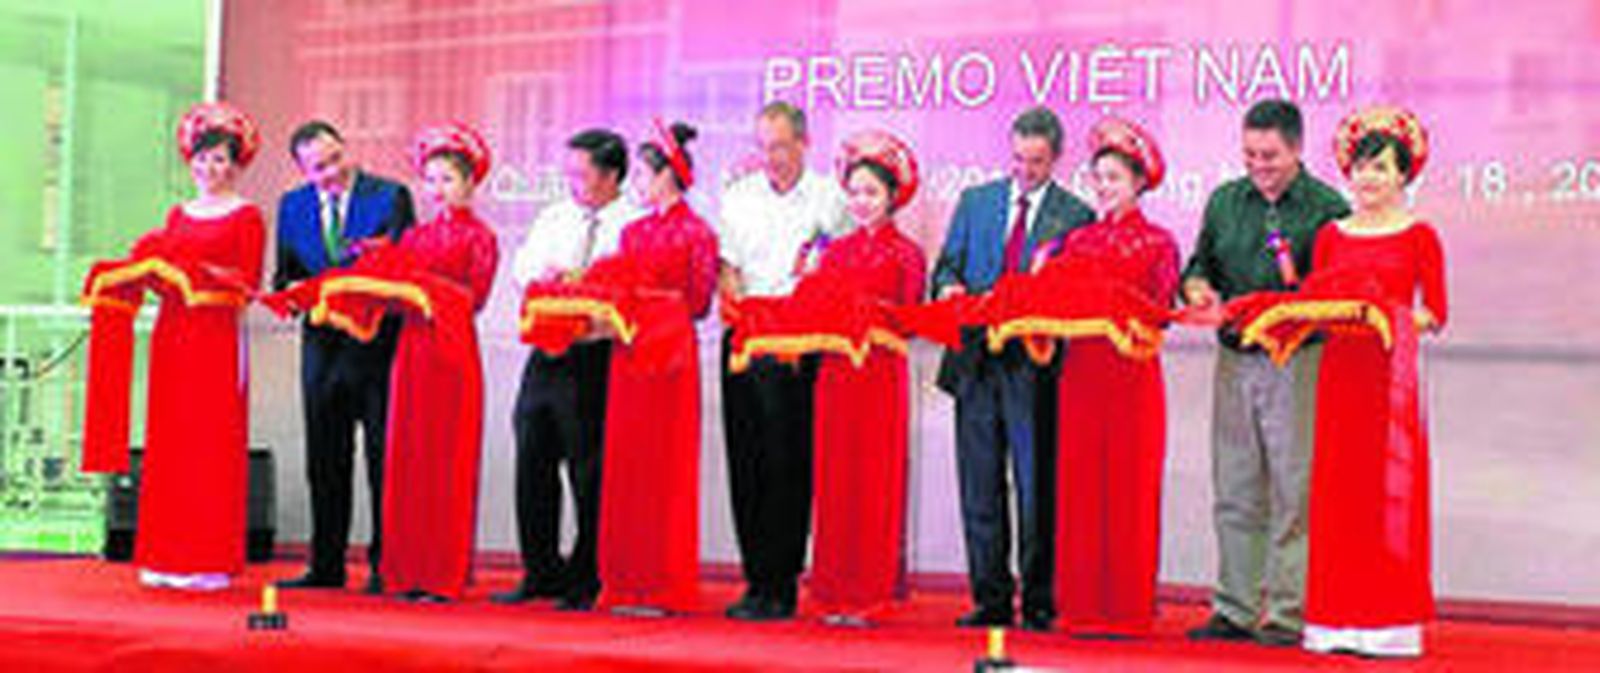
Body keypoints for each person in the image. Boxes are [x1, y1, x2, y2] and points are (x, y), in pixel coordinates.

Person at [1182, 100, 1351, 645]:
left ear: (1298, 149)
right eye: (1250, 153)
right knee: (1234, 485)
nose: (1259, 164)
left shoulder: (1326, 207)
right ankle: (1233, 606)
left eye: (1271, 155)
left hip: (1296, 362)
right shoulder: (1226, 201)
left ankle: (1285, 612)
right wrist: (1197, 289)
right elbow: (1199, 263)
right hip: (1234, 358)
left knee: (1292, 488)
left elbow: (1334, 291)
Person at [81, 102, 265, 590]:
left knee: (210, 441)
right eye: (203, 159)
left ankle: (207, 558)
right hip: (173, 336)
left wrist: (198, 273)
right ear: (190, 160)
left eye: (221, 159)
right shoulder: (176, 215)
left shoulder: (247, 216)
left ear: (237, 162)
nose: (210, 168)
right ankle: (164, 553)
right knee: (170, 440)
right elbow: (160, 277)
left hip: (218, 337)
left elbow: (248, 282)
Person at [930, 106, 1095, 630]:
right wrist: (948, 287)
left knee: (1036, 486)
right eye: (1019, 158)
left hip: (1035, 367)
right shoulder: (976, 202)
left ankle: (1040, 599)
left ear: (1056, 158)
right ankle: (990, 598)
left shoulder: (1075, 216)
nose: (1025, 169)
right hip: (975, 360)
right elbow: (947, 266)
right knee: (979, 484)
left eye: (1037, 161)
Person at [1300, 106, 1446, 658]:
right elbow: (1315, 302)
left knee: (1386, 497)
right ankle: (1333, 621)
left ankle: (1386, 624)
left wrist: (1386, 317)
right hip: (1339, 378)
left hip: (1390, 381)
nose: (1369, 178)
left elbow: (1436, 311)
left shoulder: (1420, 237)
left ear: (1403, 174)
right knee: (1337, 495)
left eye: (1381, 168)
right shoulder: (1330, 236)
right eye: (1362, 167)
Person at [494, 129, 645, 611]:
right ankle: (541, 570)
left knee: (589, 467)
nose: (572, 182)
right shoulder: (555, 215)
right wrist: (543, 274)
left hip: (597, 352)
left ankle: (587, 574)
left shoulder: (634, 222)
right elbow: (523, 266)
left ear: (612, 174)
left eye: (582, 174)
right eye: (570, 172)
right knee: (532, 454)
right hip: (547, 347)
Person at [1044, 118, 1178, 637]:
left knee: (1129, 488)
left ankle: (1126, 607)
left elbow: (1161, 311)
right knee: (1079, 486)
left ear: (1139, 182)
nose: (1104, 188)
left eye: (1115, 178)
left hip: (1132, 377)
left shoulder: (1159, 243)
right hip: (1081, 376)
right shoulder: (1075, 241)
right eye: (1098, 178)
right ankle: (1080, 605)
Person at [718, 101, 849, 621]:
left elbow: (834, 273)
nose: (770, 157)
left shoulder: (831, 199)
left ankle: (784, 581)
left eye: (780, 146)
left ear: (803, 144)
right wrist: (737, 312)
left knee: (788, 463)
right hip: (747, 340)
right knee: (746, 461)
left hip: (798, 346)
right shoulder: (738, 196)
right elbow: (727, 267)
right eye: (764, 146)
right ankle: (756, 579)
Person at [275, 120, 417, 594]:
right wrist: (288, 293)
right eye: (319, 167)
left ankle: (387, 564)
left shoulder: (389, 197)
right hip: (321, 349)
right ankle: (326, 564)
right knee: (325, 460)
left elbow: (406, 274)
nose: (332, 172)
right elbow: (285, 277)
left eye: (337, 159)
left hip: (376, 349)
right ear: (302, 170)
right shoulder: (291, 207)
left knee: (383, 460)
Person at [592, 120, 719, 614]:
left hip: (670, 359)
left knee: (666, 466)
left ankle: (663, 583)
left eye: (643, 174)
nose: (636, 185)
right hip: (628, 357)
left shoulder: (698, 233)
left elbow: (700, 302)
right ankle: (626, 580)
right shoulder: (632, 231)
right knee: (627, 464)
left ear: (669, 175)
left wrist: (655, 309)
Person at [807, 130, 927, 626]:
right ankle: (833, 590)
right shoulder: (833, 253)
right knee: (835, 479)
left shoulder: (907, 254)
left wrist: (871, 317)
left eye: (871, 193)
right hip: (835, 377)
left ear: (892, 196)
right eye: (854, 192)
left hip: (879, 375)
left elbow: (912, 318)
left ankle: (869, 592)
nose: (861, 202)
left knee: (874, 478)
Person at [376, 123, 500, 602]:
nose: (437, 189)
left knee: (446, 456)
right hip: (412, 352)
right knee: (410, 453)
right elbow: (397, 294)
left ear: (470, 182)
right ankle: (406, 569)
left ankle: (442, 572)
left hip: (451, 351)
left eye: (447, 178)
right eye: (431, 179)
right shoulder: (413, 236)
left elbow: (476, 298)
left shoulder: (481, 236)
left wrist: (427, 294)